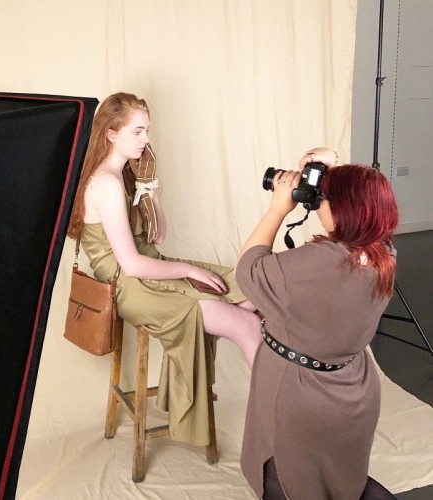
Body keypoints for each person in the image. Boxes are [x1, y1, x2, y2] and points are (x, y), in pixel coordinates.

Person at [67, 92, 263, 446]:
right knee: (248, 321)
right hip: (129, 284)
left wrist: (149, 187)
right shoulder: (106, 184)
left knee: (252, 288)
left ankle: (205, 335)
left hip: (149, 267)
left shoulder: (125, 174)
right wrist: (189, 270)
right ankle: (277, 424)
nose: (146, 140)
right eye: (138, 132)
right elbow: (130, 263)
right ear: (111, 133)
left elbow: (157, 234)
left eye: (147, 131)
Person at [235, 148, 399, 500]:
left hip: (299, 394)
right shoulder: (384, 251)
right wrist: (331, 168)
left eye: (324, 198)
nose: (319, 203)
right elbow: (364, 200)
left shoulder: (322, 263)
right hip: (354, 389)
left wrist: (277, 208)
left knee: (288, 478)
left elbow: (248, 270)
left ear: (342, 208)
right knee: (339, 477)